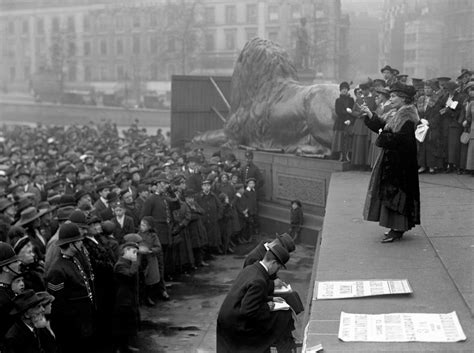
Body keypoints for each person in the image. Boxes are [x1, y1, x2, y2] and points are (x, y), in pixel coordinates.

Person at [362, 82, 420, 242]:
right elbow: (385, 128)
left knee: (397, 194)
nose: (391, 98)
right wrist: (371, 116)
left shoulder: (408, 117)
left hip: (400, 164)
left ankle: (398, 229)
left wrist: (382, 136)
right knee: (391, 194)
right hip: (393, 161)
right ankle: (394, 227)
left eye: (394, 96)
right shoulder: (399, 113)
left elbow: (401, 140)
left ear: (404, 98)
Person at [217, 244, 295, 352]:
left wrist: (270, 299)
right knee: (280, 319)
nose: (278, 271)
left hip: (227, 318)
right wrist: (268, 307)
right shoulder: (259, 280)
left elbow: (247, 297)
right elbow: (248, 312)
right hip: (236, 325)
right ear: (273, 263)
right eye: (278, 267)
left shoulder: (251, 268)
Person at [45, 223, 95, 353]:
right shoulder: (57, 270)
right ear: (71, 244)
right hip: (72, 328)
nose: (81, 244)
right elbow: (57, 306)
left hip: (83, 323)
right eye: (78, 241)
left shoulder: (74, 260)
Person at [112, 240, 140, 353]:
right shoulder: (120, 265)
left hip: (129, 298)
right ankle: (120, 348)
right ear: (126, 251)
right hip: (122, 300)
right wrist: (136, 262)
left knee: (128, 324)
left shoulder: (127, 263)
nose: (135, 255)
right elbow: (129, 275)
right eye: (133, 252)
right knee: (122, 325)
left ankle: (125, 346)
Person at [332, 81, 355, 161]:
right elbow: (338, 111)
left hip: (349, 120)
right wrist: (346, 112)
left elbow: (353, 110)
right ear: (340, 90)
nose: (344, 90)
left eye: (345, 89)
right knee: (340, 139)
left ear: (348, 90)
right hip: (341, 121)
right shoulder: (338, 100)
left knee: (349, 139)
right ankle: (341, 155)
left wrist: (350, 119)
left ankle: (348, 155)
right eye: (342, 89)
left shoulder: (351, 100)